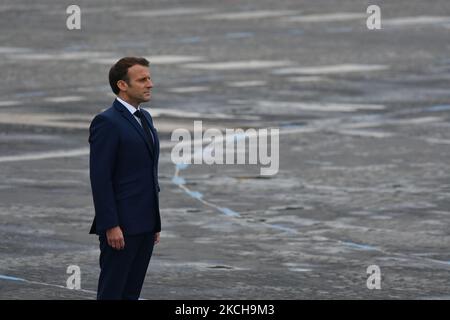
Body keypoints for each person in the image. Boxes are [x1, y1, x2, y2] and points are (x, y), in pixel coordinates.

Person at [88, 57, 161, 300]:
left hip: (145, 225)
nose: (149, 84)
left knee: (131, 293)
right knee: (112, 293)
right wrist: (110, 225)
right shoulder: (107, 122)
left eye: (149, 78)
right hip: (120, 227)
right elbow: (101, 179)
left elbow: (147, 174)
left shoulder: (145, 118)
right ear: (122, 85)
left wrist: (154, 222)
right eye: (142, 79)